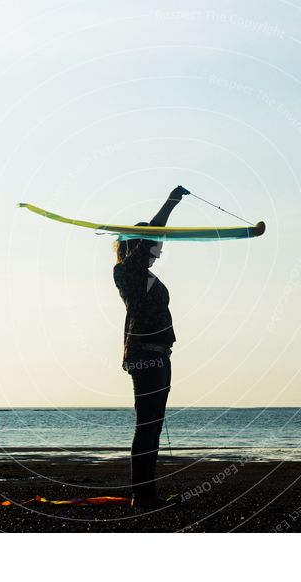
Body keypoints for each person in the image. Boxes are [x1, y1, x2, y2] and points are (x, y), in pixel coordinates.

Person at [113, 185, 189, 509]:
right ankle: (142, 496)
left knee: (152, 425)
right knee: (147, 425)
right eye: (151, 244)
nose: (157, 248)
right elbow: (150, 235)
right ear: (137, 247)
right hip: (145, 355)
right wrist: (171, 202)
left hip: (159, 356)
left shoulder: (143, 274)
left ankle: (146, 494)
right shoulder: (126, 273)